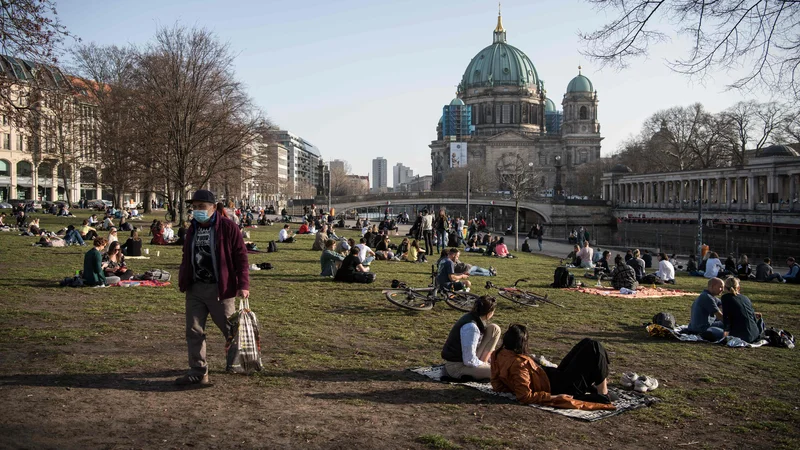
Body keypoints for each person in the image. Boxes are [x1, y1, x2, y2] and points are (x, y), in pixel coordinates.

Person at [176, 189, 250, 386]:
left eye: (201, 207)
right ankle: (198, 371)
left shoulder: (228, 227)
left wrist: (243, 284)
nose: (197, 210)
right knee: (193, 330)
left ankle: (235, 363)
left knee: (230, 329)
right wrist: (184, 277)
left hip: (220, 289)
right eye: (194, 207)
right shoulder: (192, 228)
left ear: (213, 207)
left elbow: (241, 257)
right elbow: (187, 255)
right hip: (195, 288)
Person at [491, 324, 617, 407]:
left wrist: (510, 387)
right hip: (560, 386)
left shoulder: (497, 354)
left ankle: (598, 389)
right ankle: (603, 394)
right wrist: (556, 397)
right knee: (594, 347)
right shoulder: (519, 364)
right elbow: (525, 396)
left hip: (552, 376)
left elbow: (496, 384)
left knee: (587, 343)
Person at [441, 296, 500, 380]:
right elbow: (469, 360)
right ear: (489, 313)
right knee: (499, 373)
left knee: (494, 329)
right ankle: (483, 367)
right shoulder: (471, 328)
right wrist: (484, 365)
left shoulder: (473, 317)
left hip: (466, 359)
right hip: (457, 366)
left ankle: (485, 361)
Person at [720, 276, 765, 343]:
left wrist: (725, 336)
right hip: (755, 333)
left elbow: (727, 318)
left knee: (714, 330)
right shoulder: (745, 298)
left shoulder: (725, 298)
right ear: (738, 287)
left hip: (741, 335)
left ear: (725, 288)